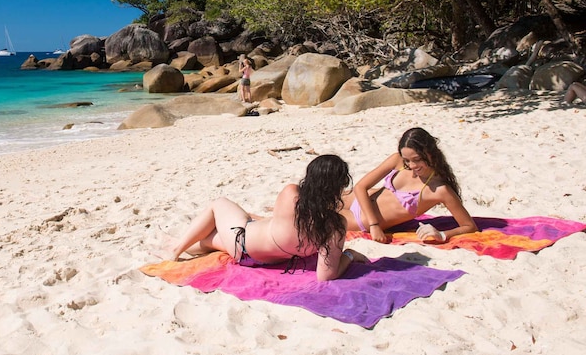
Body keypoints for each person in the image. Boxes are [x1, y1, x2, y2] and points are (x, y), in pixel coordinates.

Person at [169, 155, 367, 281]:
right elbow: (326, 275)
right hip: (264, 261)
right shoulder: (335, 226)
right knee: (209, 239)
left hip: (243, 245)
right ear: (339, 188)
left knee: (219, 204)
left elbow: (283, 220)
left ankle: (176, 251)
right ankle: (182, 245)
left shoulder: (291, 194)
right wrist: (348, 255)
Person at [340, 127, 478, 243]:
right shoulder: (397, 160)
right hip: (358, 198)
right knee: (320, 195)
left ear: (430, 154)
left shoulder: (440, 190)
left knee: (319, 217)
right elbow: (361, 187)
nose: (411, 166)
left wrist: (442, 235)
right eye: (407, 160)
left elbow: (469, 226)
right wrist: (374, 224)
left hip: (359, 220)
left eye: (417, 160)